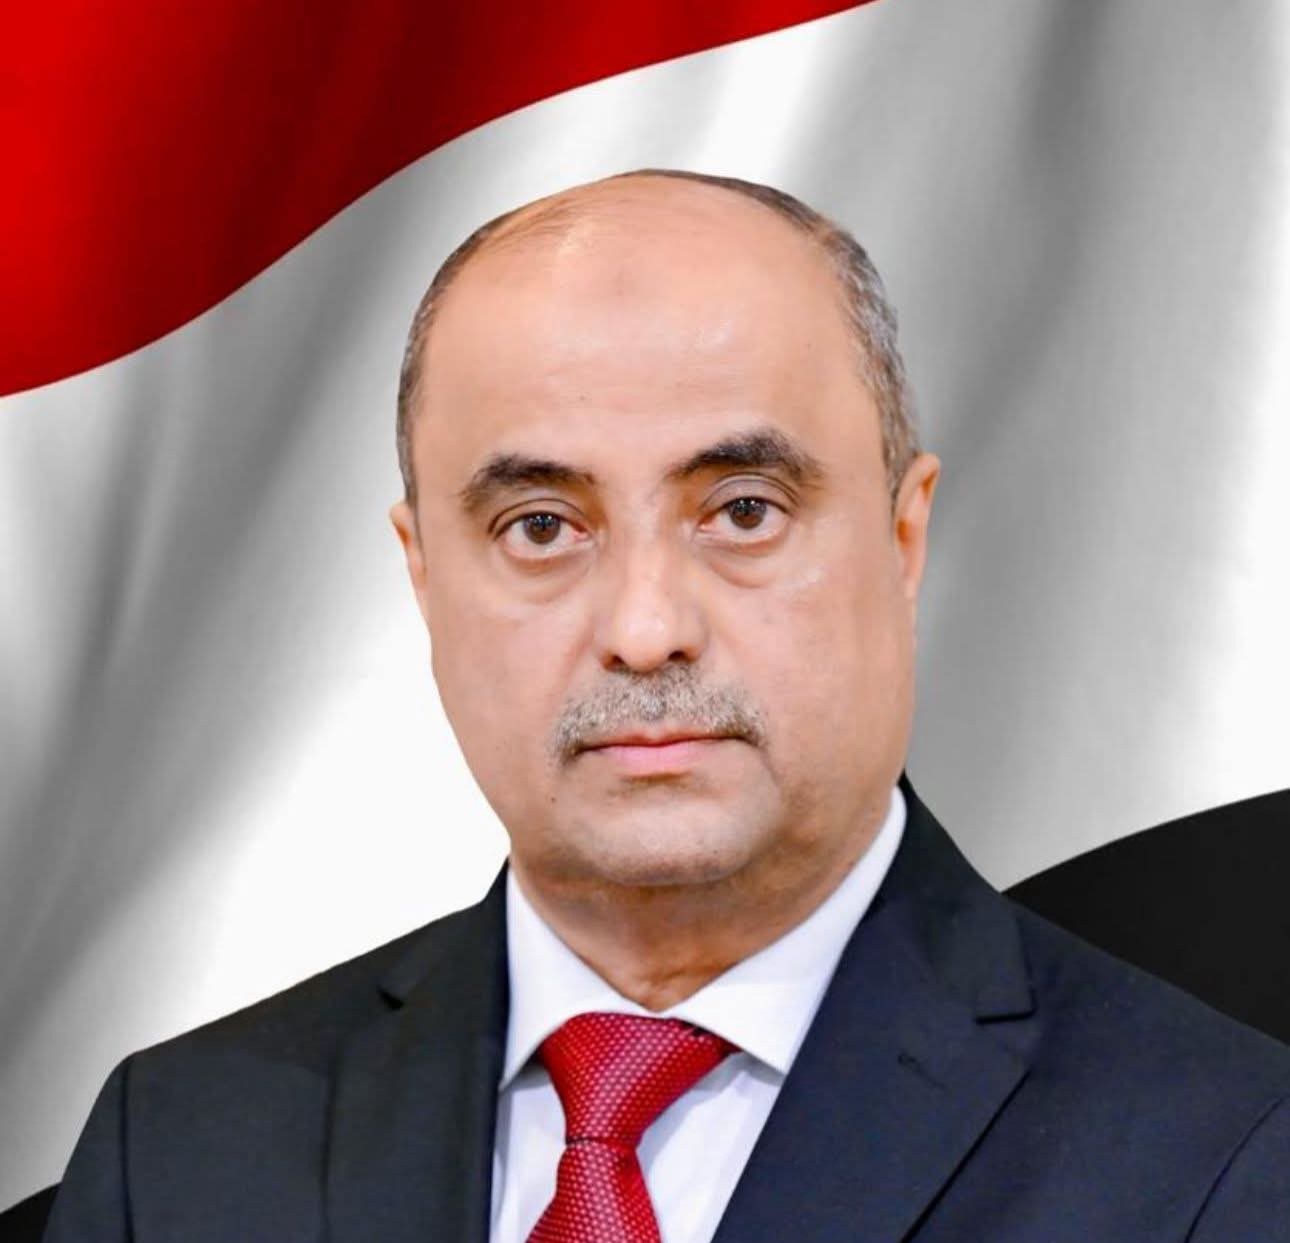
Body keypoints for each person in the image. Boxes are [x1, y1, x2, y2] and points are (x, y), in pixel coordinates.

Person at [43, 170, 1290, 1243]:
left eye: (743, 510)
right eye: (542, 527)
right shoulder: (178, 1152)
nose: (645, 629)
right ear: (422, 576)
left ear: (904, 538)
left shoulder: (1226, 1157)